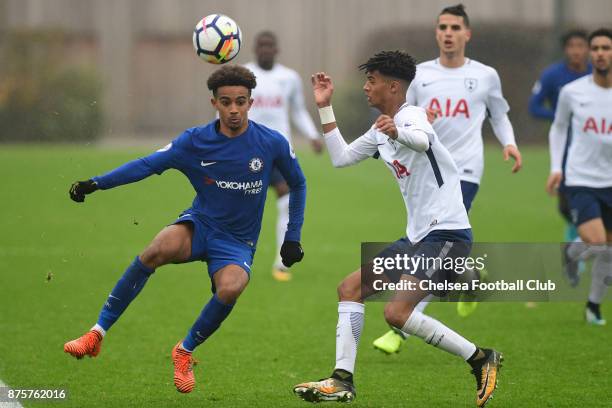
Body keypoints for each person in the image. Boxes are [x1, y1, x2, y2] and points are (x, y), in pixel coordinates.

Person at [63, 65, 307, 393]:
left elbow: (298, 183)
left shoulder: (271, 143)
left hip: (237, 241)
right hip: (200, 225)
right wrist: (96, 184)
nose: (233, 109)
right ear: (214, 104)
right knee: (155, 249)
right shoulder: (195, 141)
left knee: (231, 288)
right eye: (225, 102)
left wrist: (292, 238)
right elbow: (146, 165)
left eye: (240, 101)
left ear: (251, 102)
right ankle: (96, 333)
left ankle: (185, 350)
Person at [293, 51, 502, 408]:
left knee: (396, 314)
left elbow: (421, 140)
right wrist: (325, 108)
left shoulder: (413, 115)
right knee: (350, 288)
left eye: (371, 80)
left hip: (448, 234)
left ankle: (481, 358)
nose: (365, 87)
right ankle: (342, 380)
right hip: (417, 237)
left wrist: (399, 131)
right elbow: (341, 158)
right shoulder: (380, 130)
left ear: (392, 86)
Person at [373, 3, 522, 355]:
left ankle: (402, 327)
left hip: (466, 170)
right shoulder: (421, 75)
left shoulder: (486, 75)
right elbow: (405, 117)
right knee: (437, 247)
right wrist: (424, 118)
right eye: (443, 27)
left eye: (455, 28)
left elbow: (498, 116)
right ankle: (468, 279)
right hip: (429, 170)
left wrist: (511, 144)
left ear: (467, 34)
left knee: (434, 244)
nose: (448, 33)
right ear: (436, 33)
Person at [244, 31, 323, 282]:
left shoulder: (289, 78)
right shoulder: (243, 75)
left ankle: (281, 262)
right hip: (246, 151)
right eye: (262, 45)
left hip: (279, 152)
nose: (266, 49)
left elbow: (298, 111)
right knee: (241, 207)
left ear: (276, 50)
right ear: (255, 49)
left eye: (270, 45)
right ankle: (234, 257)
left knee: (286, 202)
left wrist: (312, 134)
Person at [546, 28, 612, 326]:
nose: (599, 53)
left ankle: (593, 306)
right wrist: (556, 168)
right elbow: (558, 128)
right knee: (597, 243)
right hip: (581, 179)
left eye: (605, 48)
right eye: (595, 48)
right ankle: (572, 254)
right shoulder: (573, 92)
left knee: (608, 250)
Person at [529, 29, 592, 247]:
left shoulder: (598, 74)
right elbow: (534, 107)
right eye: (572, 46)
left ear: (588, 49)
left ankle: (580, 242)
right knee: (566, 204)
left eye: (581, 46)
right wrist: (559, 116)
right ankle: (576, 236)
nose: (576, 51)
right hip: (565, 145)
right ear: (566, 49)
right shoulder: (553, 75)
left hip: (595, 144)